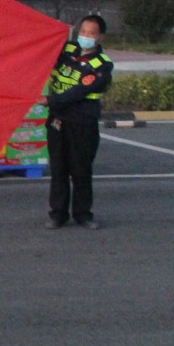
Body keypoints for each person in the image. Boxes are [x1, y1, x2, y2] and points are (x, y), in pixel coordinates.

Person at [45, 14, 114, 229]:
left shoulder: (102, 65)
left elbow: (79, 91)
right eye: (83, 31)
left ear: (100, 37)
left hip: (83, 122)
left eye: (91, 33)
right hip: (58, 120)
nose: (86, 36)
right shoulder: (66, 50)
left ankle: (83, 214)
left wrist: (50, 100)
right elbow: (41, 50)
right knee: (58, 170)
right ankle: (58, 214)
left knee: (81, 170)